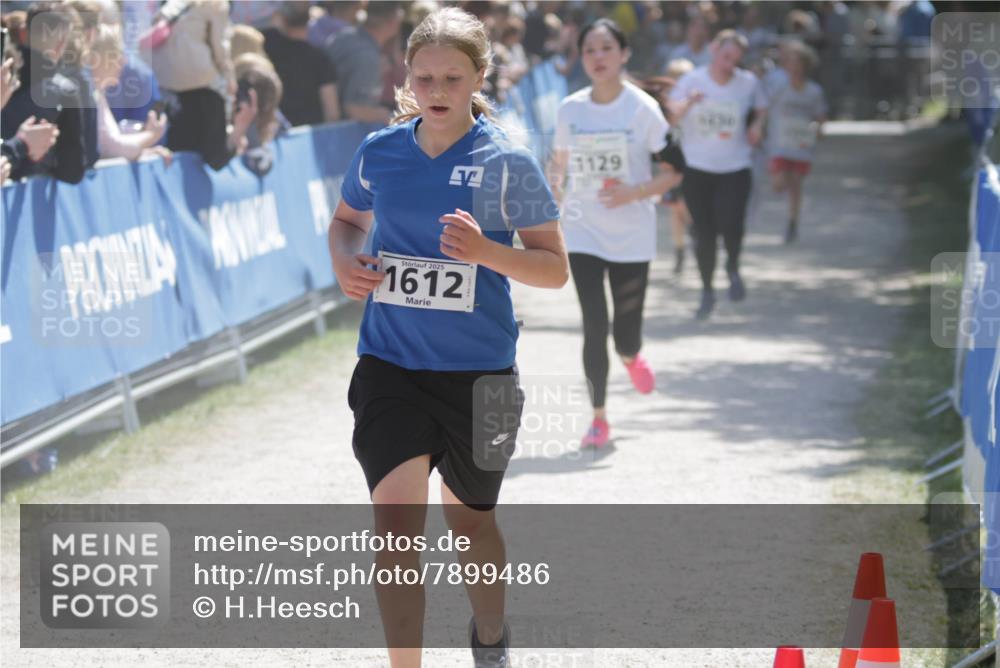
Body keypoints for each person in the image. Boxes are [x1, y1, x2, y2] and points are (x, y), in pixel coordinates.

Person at [327, 8, 567, 667]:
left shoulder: (509, 163)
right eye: (424, 77)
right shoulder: (380, 152)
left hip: (482, 375)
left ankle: (490, 633)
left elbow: (554, 269)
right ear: (406, 76)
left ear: (479, 77)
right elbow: (347, 220)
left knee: (471, 523)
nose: (436, 91)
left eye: (452, 79)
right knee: (397, 531)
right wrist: (345, 263)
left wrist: (487, 251)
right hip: (390, 364)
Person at [547, 18, 678, 448]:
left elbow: (677, 170)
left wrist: (634, 192)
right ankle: (599, 418)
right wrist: (551, 205)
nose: (598, 57)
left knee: (624, 333)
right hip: (583, 230)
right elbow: (558, 167)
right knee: (593, 324)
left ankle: (631, 355)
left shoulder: (642, 109)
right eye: (589, 50)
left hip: (632, 234)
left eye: (606, 48)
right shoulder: (571, 109)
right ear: (580, 58)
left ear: (623, 54)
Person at [668, 29, 767, 320]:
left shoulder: (747, 82)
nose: (729, 65)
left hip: (735, 166)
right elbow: (670, 116)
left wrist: (757, 126)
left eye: (735, 60)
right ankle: (707, 289)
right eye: (725, 57)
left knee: (731, 222)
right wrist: (687, 103)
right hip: (697, 168)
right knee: (704, 232)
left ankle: (733, 267)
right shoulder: (691, 80)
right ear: (714, 50)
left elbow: (762, 108)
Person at [145, 0, 243, 170]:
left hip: (166, 86)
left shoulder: (171, 4)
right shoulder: (216, 5)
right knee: (214, 155)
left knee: (180, 148)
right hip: (203, 84)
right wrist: (230, 79)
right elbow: (221, 49)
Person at [1, 2, 91, 183]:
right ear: (61, 44)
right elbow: (72, 170)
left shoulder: (7, 74)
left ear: (24, 32)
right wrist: (35, 153)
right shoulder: (66, 91)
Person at [766, 40, 826, 243]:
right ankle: (788, 213)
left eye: (798, 62)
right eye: (790, 62)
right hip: (780, 144)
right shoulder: (778, 87)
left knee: (796, 185)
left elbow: (820, 116)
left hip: (801, 145)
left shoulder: (814, 91)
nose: (794, 67)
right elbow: (764, 109)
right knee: (779, 183)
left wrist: (819, 130)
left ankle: (792, 222)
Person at [89, 24, 170, 163]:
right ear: (95, 59)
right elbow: (111, 147)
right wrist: (151, 135)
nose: (124, 61)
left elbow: (111, 146)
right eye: (116, 55)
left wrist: (142, 152)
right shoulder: (89, 93)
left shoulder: (98, 93)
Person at [262, 1, 339, 127]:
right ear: (309, 21)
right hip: (308, 137)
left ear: (282, 19)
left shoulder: (264, 47)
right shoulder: (320, 58)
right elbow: (332, 113)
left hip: (273, 133)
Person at [326, 1, 403, 124]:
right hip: (335, 135)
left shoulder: (344, 36)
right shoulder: (368, 57)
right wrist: (391, 117)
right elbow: (355, 109)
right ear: (394, 22)